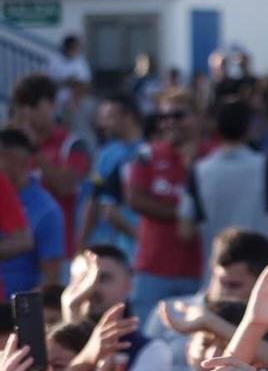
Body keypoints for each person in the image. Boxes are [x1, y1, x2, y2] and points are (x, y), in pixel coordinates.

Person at [121, 88, 206, 325]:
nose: (170, 123)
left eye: (178, 116)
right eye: (164, 118)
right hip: (153, 269)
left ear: (198, 117)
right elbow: (135, 199)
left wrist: (193, 171)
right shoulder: (148, 155)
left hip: (199, 268)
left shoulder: (212, 156)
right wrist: (184, 215)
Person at [180, 99, 268, 257]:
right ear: (248, 127)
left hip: (218, 272)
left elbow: (185, 231)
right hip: (261, 271)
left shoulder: (198, 171)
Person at [7, 73, 89, 258]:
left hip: (57, 251)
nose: (28, 113)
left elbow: (66, 188)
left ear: (52, 105)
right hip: (14, 251)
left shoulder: (72, 144)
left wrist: (34, 149)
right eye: (23, 106)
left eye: (34, 105)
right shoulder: (8, 147)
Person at [79, 94, 145, 257]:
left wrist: (140, 237)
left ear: (128, 116)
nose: (104, 124)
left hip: (142, 245)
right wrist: (81, 242)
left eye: (110, 117)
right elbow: (94, 196)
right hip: (108, 244)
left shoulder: (149, 150)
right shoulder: (105, 155)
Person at [0, 129, 64, 293]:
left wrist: (20, 312)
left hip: (14, 308)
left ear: (19, 161)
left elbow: (51, 278)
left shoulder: (46, 210)